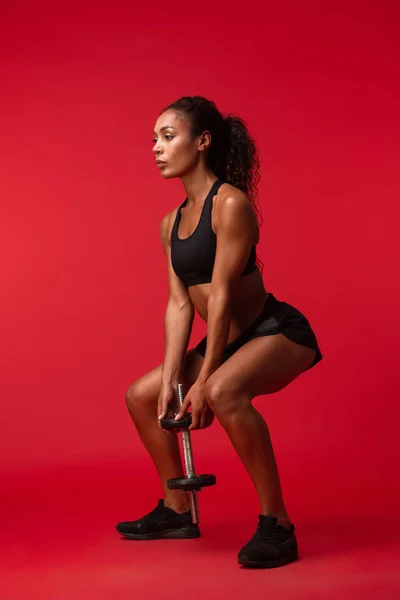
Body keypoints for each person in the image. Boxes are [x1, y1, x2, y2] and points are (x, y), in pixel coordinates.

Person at [116, 96, 322, 568]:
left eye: (168, 137)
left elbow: (224, 298)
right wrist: (172, 379)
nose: (156, 148)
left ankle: (279, 525)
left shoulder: (229, 203)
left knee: (225, 392)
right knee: (142, 395)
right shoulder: (171, 223)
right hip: (224, 341)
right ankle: (177, 509)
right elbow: (179, 304)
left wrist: (205, 381)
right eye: (154, 139)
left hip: (274, 331)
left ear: (202, 141)